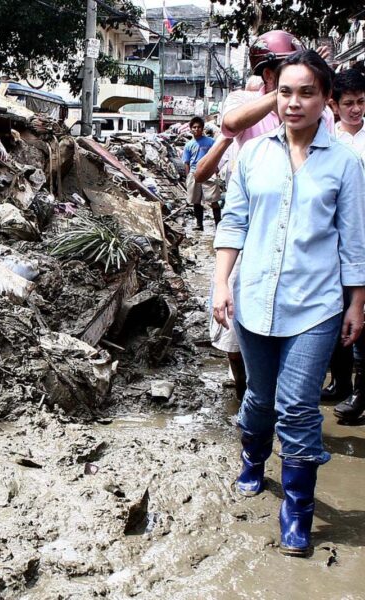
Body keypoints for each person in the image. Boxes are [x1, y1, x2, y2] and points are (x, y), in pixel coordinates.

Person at [213, 50, 365, 557]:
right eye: (285, 92)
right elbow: (233, 223)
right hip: (255, 299)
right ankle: (254, 458)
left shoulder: (345, 162)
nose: (294, 102)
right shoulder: (253, 155)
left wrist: (356, 303)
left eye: (306, 93)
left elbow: (354, 240)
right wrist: (222, 284)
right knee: (259, 398)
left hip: (316, 306)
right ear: (273, 96)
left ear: (326, 99)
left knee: (298, 406)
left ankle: (297, 512)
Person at [320, 68, 365, 422]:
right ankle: (340, 382)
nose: (355, 110)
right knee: (336, 314)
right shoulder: (325, 140)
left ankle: (360, 393)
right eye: (348, 103)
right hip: (333, 240)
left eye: (361, 103)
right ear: (333, 105)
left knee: (361, 314)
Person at [182, 116, 220, 231]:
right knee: (196, 201)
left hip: (209, 173)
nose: (196, 129)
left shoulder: (211, 142)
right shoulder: (189, 145)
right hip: (194, 173)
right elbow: (187, 162)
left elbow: (216, 156)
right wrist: (188, 176)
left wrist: (216, 169)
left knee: (214, 200)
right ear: (191, 129)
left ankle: (218, 225)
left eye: (199, 127)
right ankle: (199, 224)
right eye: (194, 127)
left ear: (202, 128)